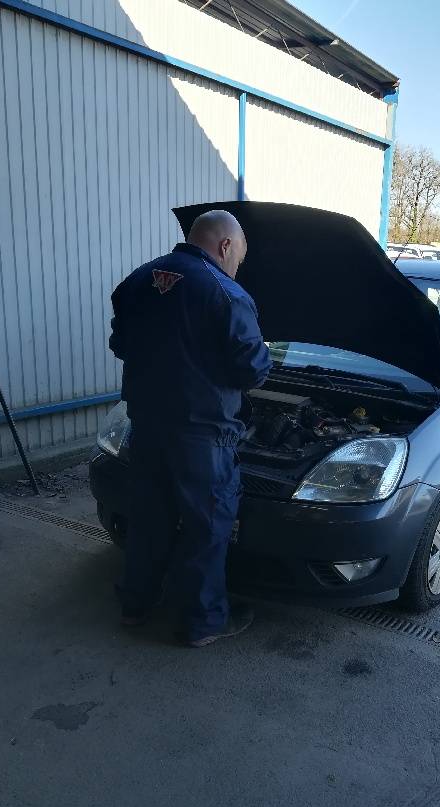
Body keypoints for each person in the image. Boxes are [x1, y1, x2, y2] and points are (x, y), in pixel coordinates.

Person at [109, 210, 272, 647]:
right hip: (204, 438)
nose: (238, 265)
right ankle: (203, 623)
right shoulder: (226, 292)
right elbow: (252, 371)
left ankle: (135, 606)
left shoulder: (139, 279)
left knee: (149, 520)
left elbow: (120, 344)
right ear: (225, 246)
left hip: (145, 428)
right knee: (206, 529)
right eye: (239, 255)